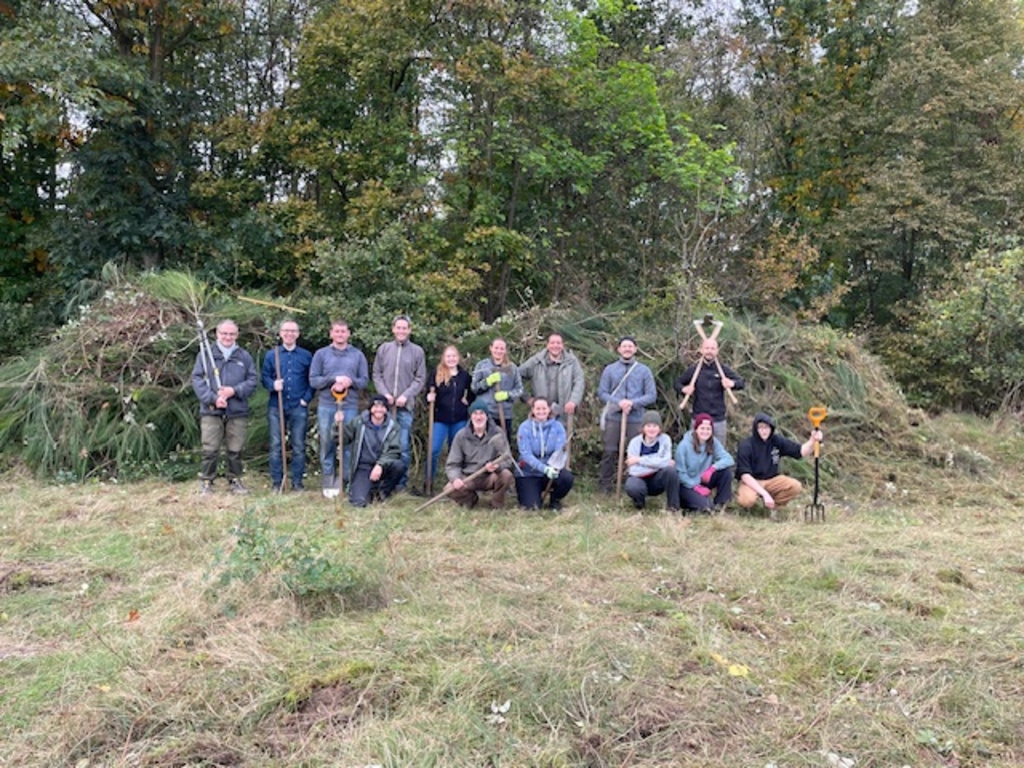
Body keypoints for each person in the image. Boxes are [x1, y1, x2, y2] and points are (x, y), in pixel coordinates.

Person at [191, 320, 258, 496]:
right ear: (217, 334)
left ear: (237, 335)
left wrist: (233, 391)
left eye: (232, 334)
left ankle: (235, 480)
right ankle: (207, 482)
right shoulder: (206, 355)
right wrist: (213, 398)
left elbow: (252, 381)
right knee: (210, 448)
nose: (228, 337)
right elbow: (197, 380)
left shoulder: (243, 356)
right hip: (212, 409)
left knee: (235, 448)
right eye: (224, 334)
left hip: (237, 410)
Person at [308, 320, 369, 495]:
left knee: (348, 441)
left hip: (349, 405)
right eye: (337, 331)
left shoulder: (357, 355)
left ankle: (346, 479)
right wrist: (334, 380)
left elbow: (364, 380)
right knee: (327, 441)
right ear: (331, 334)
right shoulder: (321, 355)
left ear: (348, 334)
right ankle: (328, 477)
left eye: (343, 331)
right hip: (327, 405)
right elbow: (314, 380)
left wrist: (351, 382)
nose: (340, 334)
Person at [372, 314, 427, 491]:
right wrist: (385, 394)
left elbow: (420, 378)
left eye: (405, 328)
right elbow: (377, 374)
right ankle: (382, 482)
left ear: (409, 330)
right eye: (399, 327)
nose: (401, 331)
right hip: (384, 410)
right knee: (382, 446)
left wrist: (406, 395)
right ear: (393, 329)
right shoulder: (384, 349)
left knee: (402, 447)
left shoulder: (417, 351)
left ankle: (400, 484)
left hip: (405, 408)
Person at [596, 336, 657, 494]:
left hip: (636, 419)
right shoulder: (610, 369)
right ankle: (605, 486)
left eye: (630, 346)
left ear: (635, 349)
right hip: (614, 418)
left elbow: (651, 395)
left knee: (636, 452)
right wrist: (619, 402)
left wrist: (632, 403)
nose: (627, 349)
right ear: (619, 349)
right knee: (609, 451)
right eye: (624, 346)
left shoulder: (644, 370)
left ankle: (635, 484)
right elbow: (602, 392)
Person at [735, 412, 823, 517]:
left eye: (766, 427)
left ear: (771, 428)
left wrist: (813, 440)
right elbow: (745, 475)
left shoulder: (777, 441)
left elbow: (800, 451)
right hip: (752, 481)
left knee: (795, 486)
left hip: (772, 480)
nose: (764, 431)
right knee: (746, 500)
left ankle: (773, 509)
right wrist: (764, 494)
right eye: (760, 428)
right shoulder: (746, 445)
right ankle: (752, 512)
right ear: (755, 428)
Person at [261, 319, 313, 492]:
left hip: (298, 406)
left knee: (298, 445)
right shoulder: (271, 355)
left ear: (298, 334)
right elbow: (265, 377)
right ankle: (277, 482)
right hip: (277, 406)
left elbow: (311, 380)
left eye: (293, 331)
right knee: (276, 445)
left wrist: (305, 399)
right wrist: (272, 385)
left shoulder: (306, 356)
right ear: (281, 333)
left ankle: (297, 482)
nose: (289, 334)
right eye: (286, 331)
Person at [444, 400, 515, 509]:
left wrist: (497, 466)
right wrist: (456, 479)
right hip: (469, 477)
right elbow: (453, 464)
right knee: (449, 488)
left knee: (506, 475)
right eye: (475, 414)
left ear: (487, 416)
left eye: (481, 413)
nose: (478, 417)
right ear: (471, 416)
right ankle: (470, 499)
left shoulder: (497, 433)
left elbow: (507, 459)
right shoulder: (461, 436)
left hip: (490, 477)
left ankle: (497, 504)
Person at [674, 337, 744, 446]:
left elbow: (741, 383)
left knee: (718, 453)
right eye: (706, 348)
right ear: (701, 350)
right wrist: (684, 389)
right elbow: (677, 383)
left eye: (712, 348)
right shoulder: (694, 369)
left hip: (718, 420)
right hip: (698, 418)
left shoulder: (722, 369)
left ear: (717, 351)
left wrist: (732, 384)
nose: (709, 351)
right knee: (695, 450)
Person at [341, 394, 405, 507]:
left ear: (386, 409)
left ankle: (382, 493)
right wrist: (338, 425)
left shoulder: (393, 426)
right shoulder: (359, 422)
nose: (379, 410)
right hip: (363, 467)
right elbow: (342, 439)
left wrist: (380, 465)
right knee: (358, 502)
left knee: (399, 466)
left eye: (382, 407)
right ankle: (368, 490)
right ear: (370, 408)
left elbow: (394, 451)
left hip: (383, 466)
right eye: (375, 406)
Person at [425, 345, 472, 490]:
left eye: (454, 356)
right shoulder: (436, 374)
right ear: (443, 358)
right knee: (433, 451)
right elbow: (427, 391)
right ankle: (428, 483)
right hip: (440, 419)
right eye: (448, 356)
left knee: (457, 453)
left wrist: (467, 401)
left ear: (458, 358)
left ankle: (455, 485)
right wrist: (429, 397)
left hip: (459, 419)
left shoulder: (464, 376)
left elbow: (472, 393)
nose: (451, 359)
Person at [515, 397, 574, 511]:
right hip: (529, 473)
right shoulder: (524, 428)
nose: (541, 412)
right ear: (532, 410)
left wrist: (555, 466)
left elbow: (560, 450)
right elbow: (526, 455)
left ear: (549, 410)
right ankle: (531, 496)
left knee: (566, 478)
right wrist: (544, 469)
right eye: (538, 409)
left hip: (550, 470)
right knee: (532, 507)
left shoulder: (558, 427)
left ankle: (555, 500)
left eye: (544, 408)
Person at [518, 333, 585, 424]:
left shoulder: (571, 362)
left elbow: (579, 380)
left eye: (558, 343)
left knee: (561, 436)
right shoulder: (536, 361)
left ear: (562, 345)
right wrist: (527, 398)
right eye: (552, 343)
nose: (555, 346)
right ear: (547, 345)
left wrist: (573, 401)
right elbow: (516, 377)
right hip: (541, 413)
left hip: (563, 412)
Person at [676, 412, 736, 513]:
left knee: (726, 471)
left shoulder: (713, 442)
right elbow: (680, 474)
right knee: (707, 507)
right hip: (687, 485)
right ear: (696, 429)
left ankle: (721, 504)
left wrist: (712, 469)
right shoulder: (684, 446)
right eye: (702, 428)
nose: (705, 431)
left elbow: (728, 459)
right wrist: (695, 487)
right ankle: (691, 505)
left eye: (708, 429)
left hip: (703, 480)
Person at [624, 410, 680, 513]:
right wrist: (658, 464)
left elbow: (666, 462)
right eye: (648, 426)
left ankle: (673, 508)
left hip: (657, 480)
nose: (652, 429)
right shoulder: (634, 443)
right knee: (632, 486)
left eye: (655, 426)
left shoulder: (665, 440)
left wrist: (639, 460)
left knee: (671, 471)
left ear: (660, 428)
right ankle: (639, 505)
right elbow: (634, 471)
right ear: (643, 428)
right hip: (639, 479)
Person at [470, 338, 523, 441]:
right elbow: (474, 387)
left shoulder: (512, 368)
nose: (499, 351)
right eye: (496, 348)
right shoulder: (482, 366)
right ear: (491, 348)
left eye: (502, 348)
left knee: (503, 444)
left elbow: (519, 389)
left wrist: (508, 395)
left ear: (505, 350)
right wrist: (487, 382)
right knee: (485, 444)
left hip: (505, 414)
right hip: (486, 414)